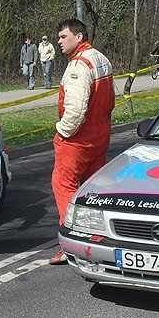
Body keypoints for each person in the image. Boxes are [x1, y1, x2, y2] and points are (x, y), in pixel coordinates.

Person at [50, 18, 115, 265]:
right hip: (100, 135)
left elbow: (75, 110)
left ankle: (72, 241)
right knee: (92, 190)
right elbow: (110, 100)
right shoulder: (101, 59)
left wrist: (62, 132)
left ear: (78, 37)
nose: (59, 41)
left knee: (63, 185)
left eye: (63, 36)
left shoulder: (78, 65)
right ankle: (97, 237)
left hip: (77, 140)